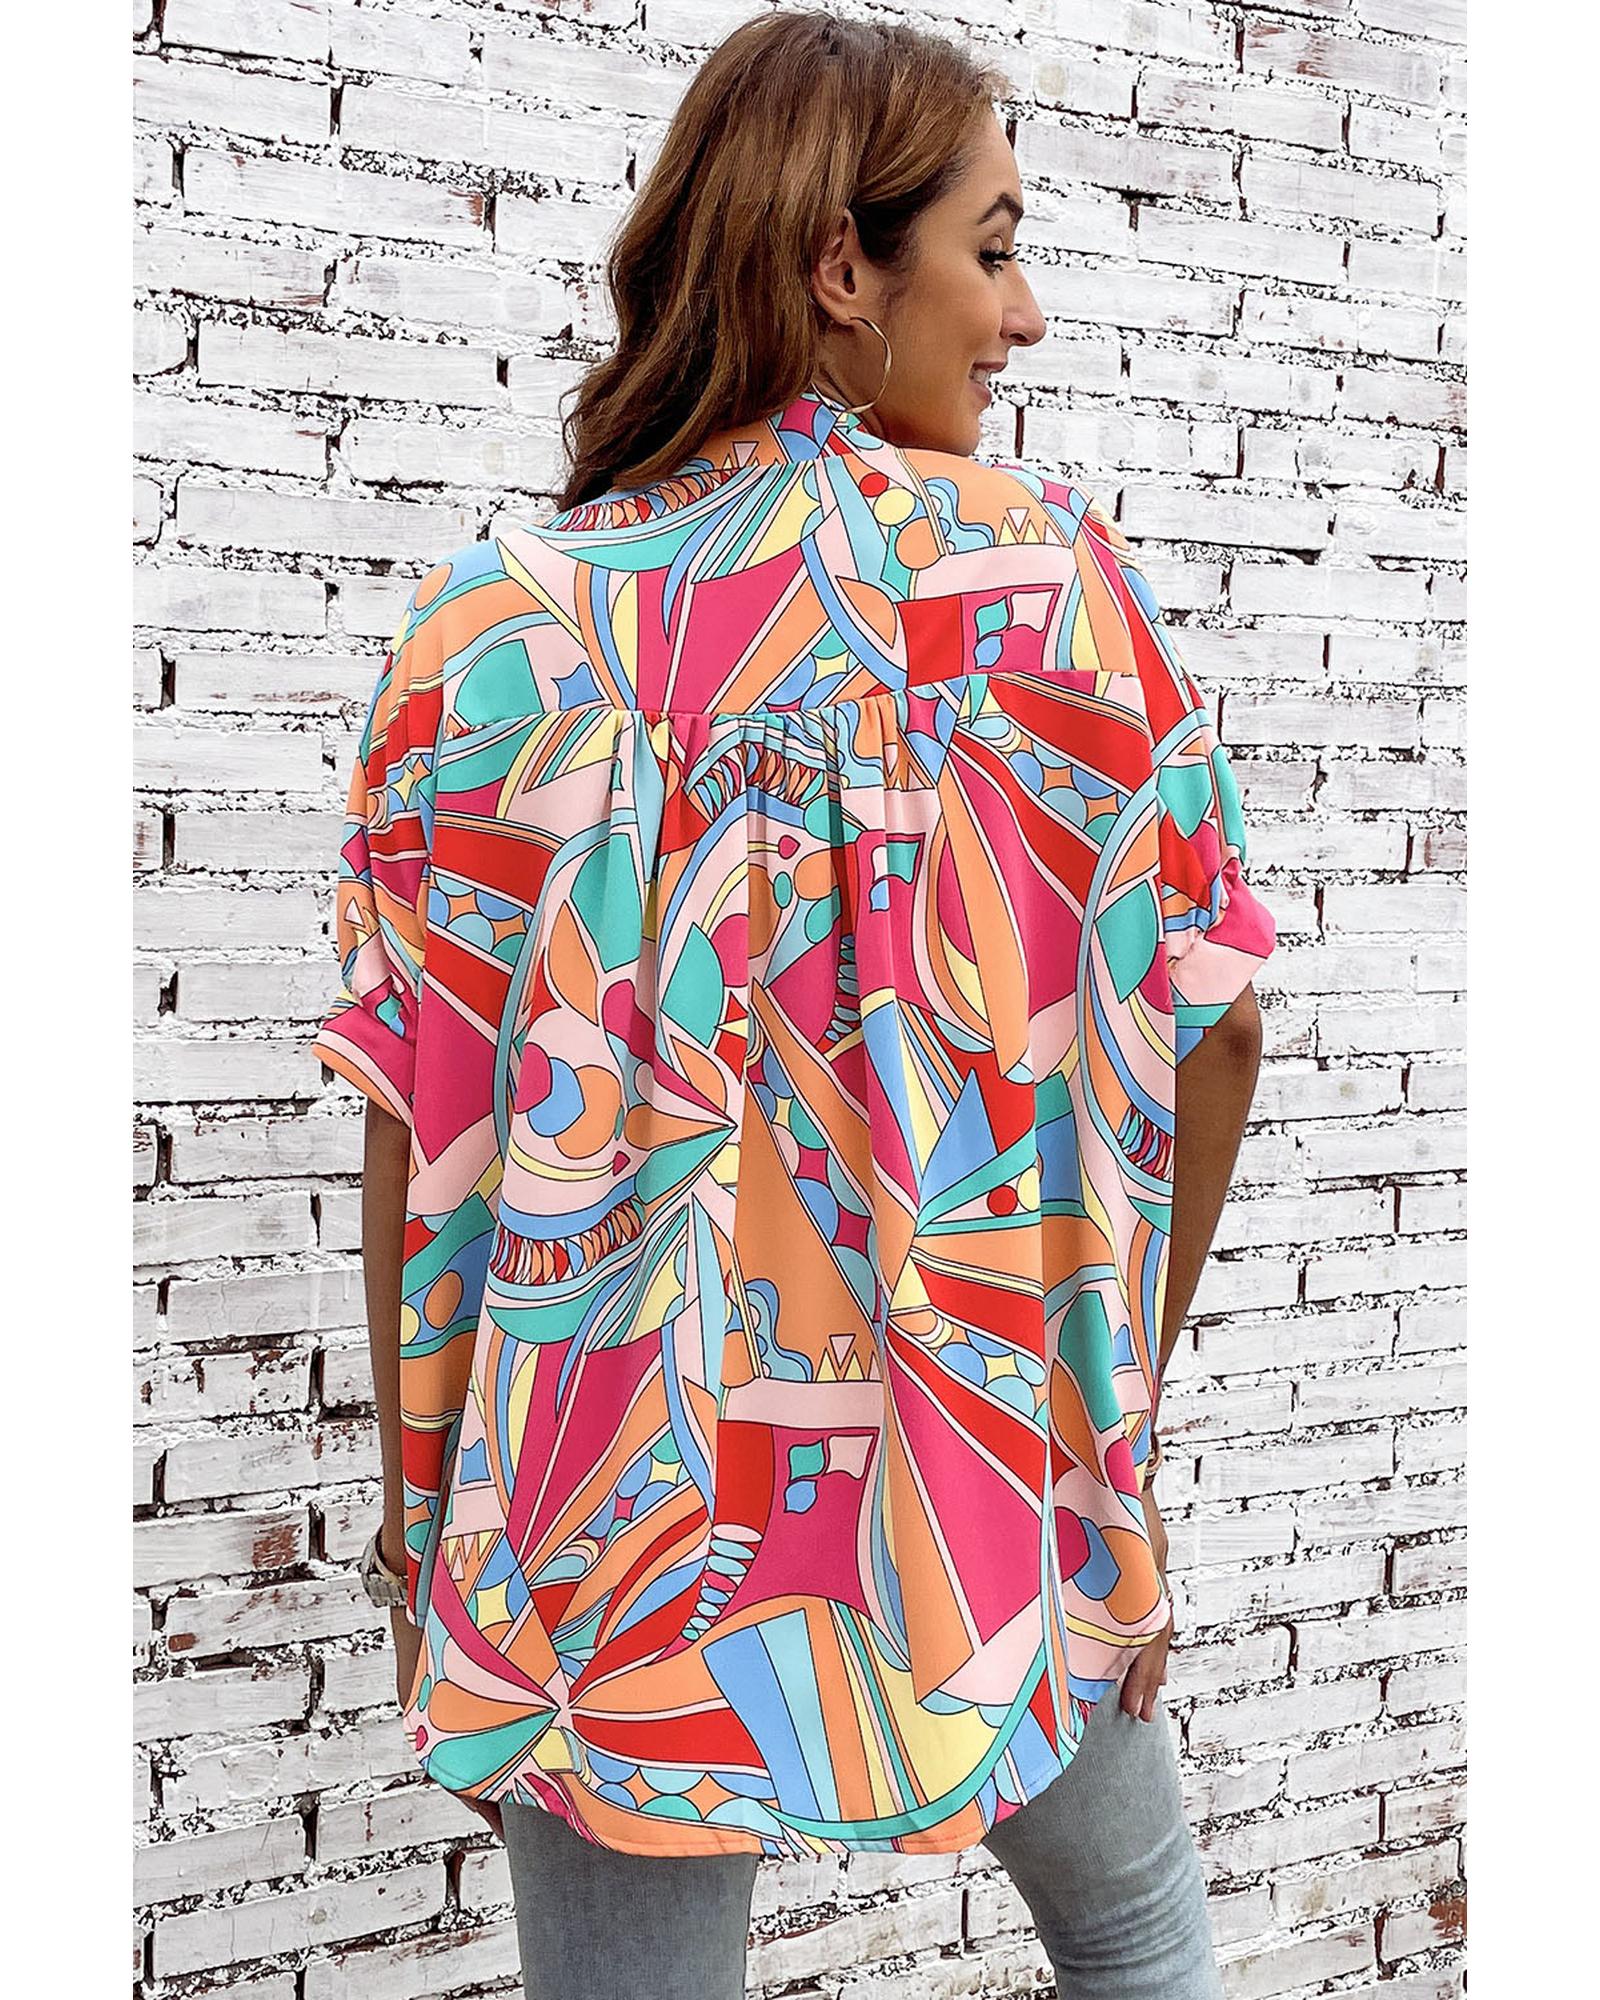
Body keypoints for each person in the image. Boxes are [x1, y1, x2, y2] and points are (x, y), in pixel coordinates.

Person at [310, 12, 1277, 1998]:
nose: (1023, 315)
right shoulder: (1048, 597)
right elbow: (1217, 1028)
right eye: (992, 249)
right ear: (843, 266)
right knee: (1137, 1941)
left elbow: (423, 1138)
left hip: (596, 1535)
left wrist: (432, 1537)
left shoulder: (489, 637)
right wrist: (1098, 1446)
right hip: (986, 1488)